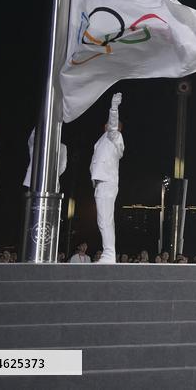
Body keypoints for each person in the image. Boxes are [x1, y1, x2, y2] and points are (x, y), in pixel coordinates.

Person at [90, 93, 124, 264]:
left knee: (105, 219)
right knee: (103, 219)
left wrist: (114, 108)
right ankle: (108, 252)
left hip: (107, 182)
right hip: (100, 182)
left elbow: (112, 126)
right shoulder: (102, 140)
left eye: (113, 125)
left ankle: (109, 254)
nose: (109, 125)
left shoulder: (115, 137)